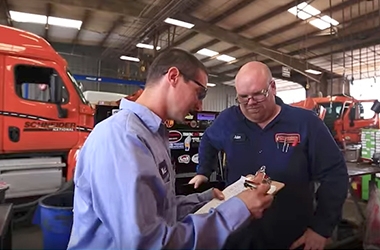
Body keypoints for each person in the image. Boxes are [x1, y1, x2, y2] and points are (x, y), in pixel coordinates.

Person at [67, 49, 274, 250]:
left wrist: (207, 199)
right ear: (173, 76)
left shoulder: (152, 134)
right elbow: (147, 243)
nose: (199, 105)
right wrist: (238, 210)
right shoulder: (122, 138)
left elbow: (159, 210)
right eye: (199, 92)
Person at [189, 61, 349, 249]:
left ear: (272, 87)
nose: (250, 103)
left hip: (291, 235)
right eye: (243, 97)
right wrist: (203, 171)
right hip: (238, 233)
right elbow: (208, 139)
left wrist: (321, 228)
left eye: (258, 94)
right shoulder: (228, 120)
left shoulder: (306, 124)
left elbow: (335, 175)